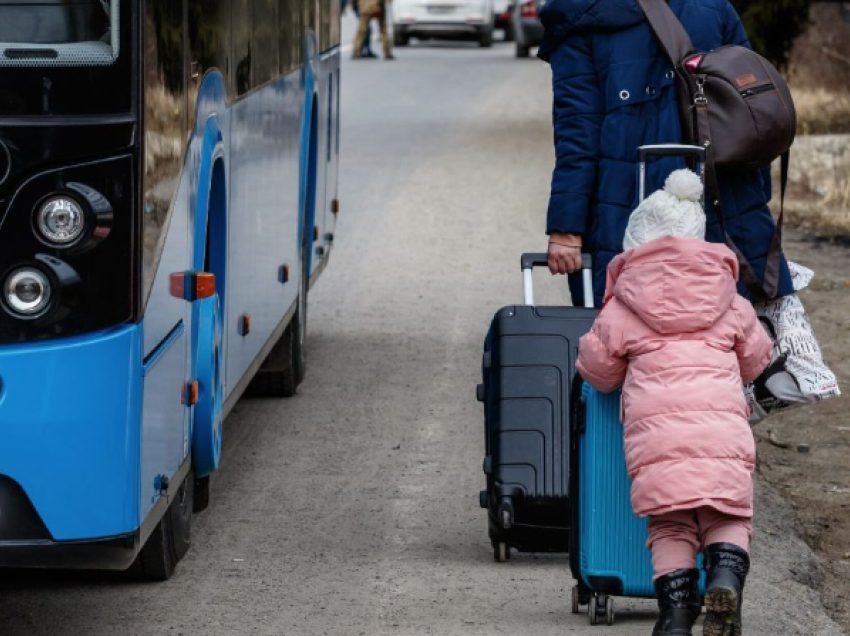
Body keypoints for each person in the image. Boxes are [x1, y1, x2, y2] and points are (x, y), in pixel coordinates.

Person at [576, 169, 773, 636]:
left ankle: (674, 616)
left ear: (636, 246)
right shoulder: (729, 301)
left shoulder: (623, 307)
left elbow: (598, 371)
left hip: (657, 443)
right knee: (728, 514)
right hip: (721, 434)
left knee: (671, 528)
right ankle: (724, 577)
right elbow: (757, 358)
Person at [537, 0, 793, 308]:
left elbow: (578, 133)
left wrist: (567, 229)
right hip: (719, 194)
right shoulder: (712, 6)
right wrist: (754, 200)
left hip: (623, 207)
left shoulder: (578, 15)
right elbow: (753, 108)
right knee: (726, 325)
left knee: (629, 325)